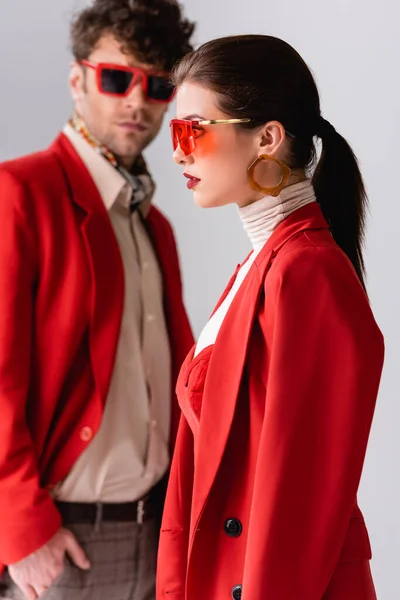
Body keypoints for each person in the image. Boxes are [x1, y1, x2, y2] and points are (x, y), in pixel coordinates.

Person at [157, 34, 385, 600]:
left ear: (266, 137)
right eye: (174, 133)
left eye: (193, 130)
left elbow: (299, 498)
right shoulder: (261, 267)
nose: (178, 152)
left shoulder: (306, 273)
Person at [0, 1, 195, 599]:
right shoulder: (18, 194)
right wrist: (21, 529)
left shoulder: (153, 224)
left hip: (159, 528)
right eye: (117, 79)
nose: (137, 101)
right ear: (78, 79)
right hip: (65, 537)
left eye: (158, 85)